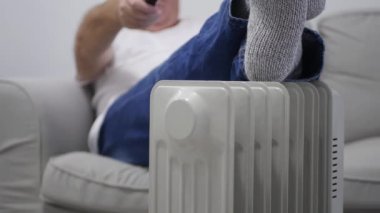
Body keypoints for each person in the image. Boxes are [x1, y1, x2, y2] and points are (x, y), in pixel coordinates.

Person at [75, 0, 325, 167]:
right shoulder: (118, 38)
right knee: (212, 45)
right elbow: (87, 38)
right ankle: (258, 16)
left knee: (235, 47)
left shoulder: (200, 29)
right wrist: (117, 13)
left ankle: (271, 53)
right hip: (127, 130)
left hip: (223, 117)